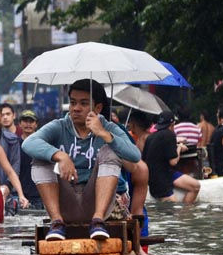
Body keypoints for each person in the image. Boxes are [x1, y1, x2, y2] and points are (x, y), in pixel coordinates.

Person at [22, 79, 141, 241]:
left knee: (109, 152)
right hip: (66, 202)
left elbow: (135, 156)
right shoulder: (60, 126)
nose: (76, 108)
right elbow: (28, 143)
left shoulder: (109, 127)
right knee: (40, 160)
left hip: (96, 204)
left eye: (84, 103)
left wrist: (105, 135)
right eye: (73, 103)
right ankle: (56, 222)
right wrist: (60, 156)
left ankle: (98, 221)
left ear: (98, 108)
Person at [143, 111, 200, 204]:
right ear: (172, 124)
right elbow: (173, 162)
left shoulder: (150, 137)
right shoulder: (169, 135)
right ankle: (185, 213)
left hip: (157, 176)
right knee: (171, 208)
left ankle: (186, 212)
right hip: (161, 180)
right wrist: (179, 147)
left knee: (195, 186)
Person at [17, 109, 43, 209]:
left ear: (36, 124)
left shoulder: (42, 143)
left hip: (38, 194)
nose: (28, 124)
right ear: (19, 124)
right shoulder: (15, 144)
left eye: (31, 121)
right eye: (25, 121)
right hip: (19, 194)